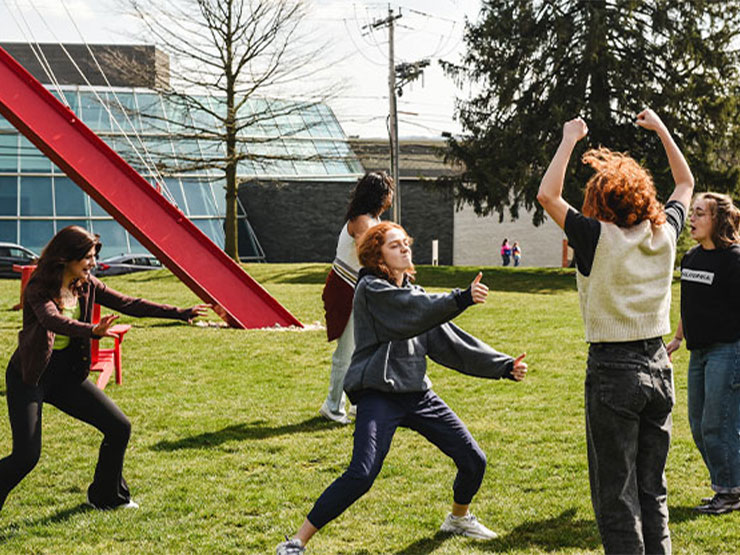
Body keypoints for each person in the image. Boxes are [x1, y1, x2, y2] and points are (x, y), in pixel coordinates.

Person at [276, 221, 528, 554]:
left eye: (405, 242)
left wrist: (502, 366)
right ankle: (296, 541)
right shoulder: (371, 290)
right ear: (377, 256)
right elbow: (413, 311)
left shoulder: (414, 293)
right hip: (378, 394)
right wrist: (462, 297)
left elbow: (449, 341)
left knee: (473, 459)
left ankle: (458, 519)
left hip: (417, 394)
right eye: (394, 245)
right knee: (362, 473)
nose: (405, 248)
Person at [536, 109, 693, 554]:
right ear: (644, 197)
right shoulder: (663, 235)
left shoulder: (593, 236)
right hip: (658, 366)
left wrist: (569, 139)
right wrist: (663, 130)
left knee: (617, 497)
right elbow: (684, 184)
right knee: (652, 490)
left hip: (613, 369)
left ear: (597, 201)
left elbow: (547, 194)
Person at [0, 226, 209, 511]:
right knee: (26, 457)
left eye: (94, 257)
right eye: (87, 257)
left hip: (65, 376)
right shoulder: (39, 287)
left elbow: (128, 303)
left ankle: (106, 496)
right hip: (31, 375)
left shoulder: (86, 285)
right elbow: (52, 321)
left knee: (118, 427)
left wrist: (178, 312)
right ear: (66, 258)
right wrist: (92, 331)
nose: (93, 263)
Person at [665, 192, 740, 515]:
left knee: (717, 423)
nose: (691, 220)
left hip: (728, 349)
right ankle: (728, 485)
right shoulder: (691, 258)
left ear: (717, 220)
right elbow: (689, 305)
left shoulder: (735, 260)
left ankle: (730, 491)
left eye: (699, 214)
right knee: (698, 424)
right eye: (691, 213)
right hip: (698, 352)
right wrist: (678, 338)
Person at [319, 172, 394, 424]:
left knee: (365, 351)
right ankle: (333, 406)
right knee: (347, 352)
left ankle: (357, 405)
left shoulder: (373, 219)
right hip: (345, 288)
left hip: (359, 289)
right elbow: (370, 255)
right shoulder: (361, 221)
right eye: (388, 190)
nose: (391, 196)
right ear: (379, 195)